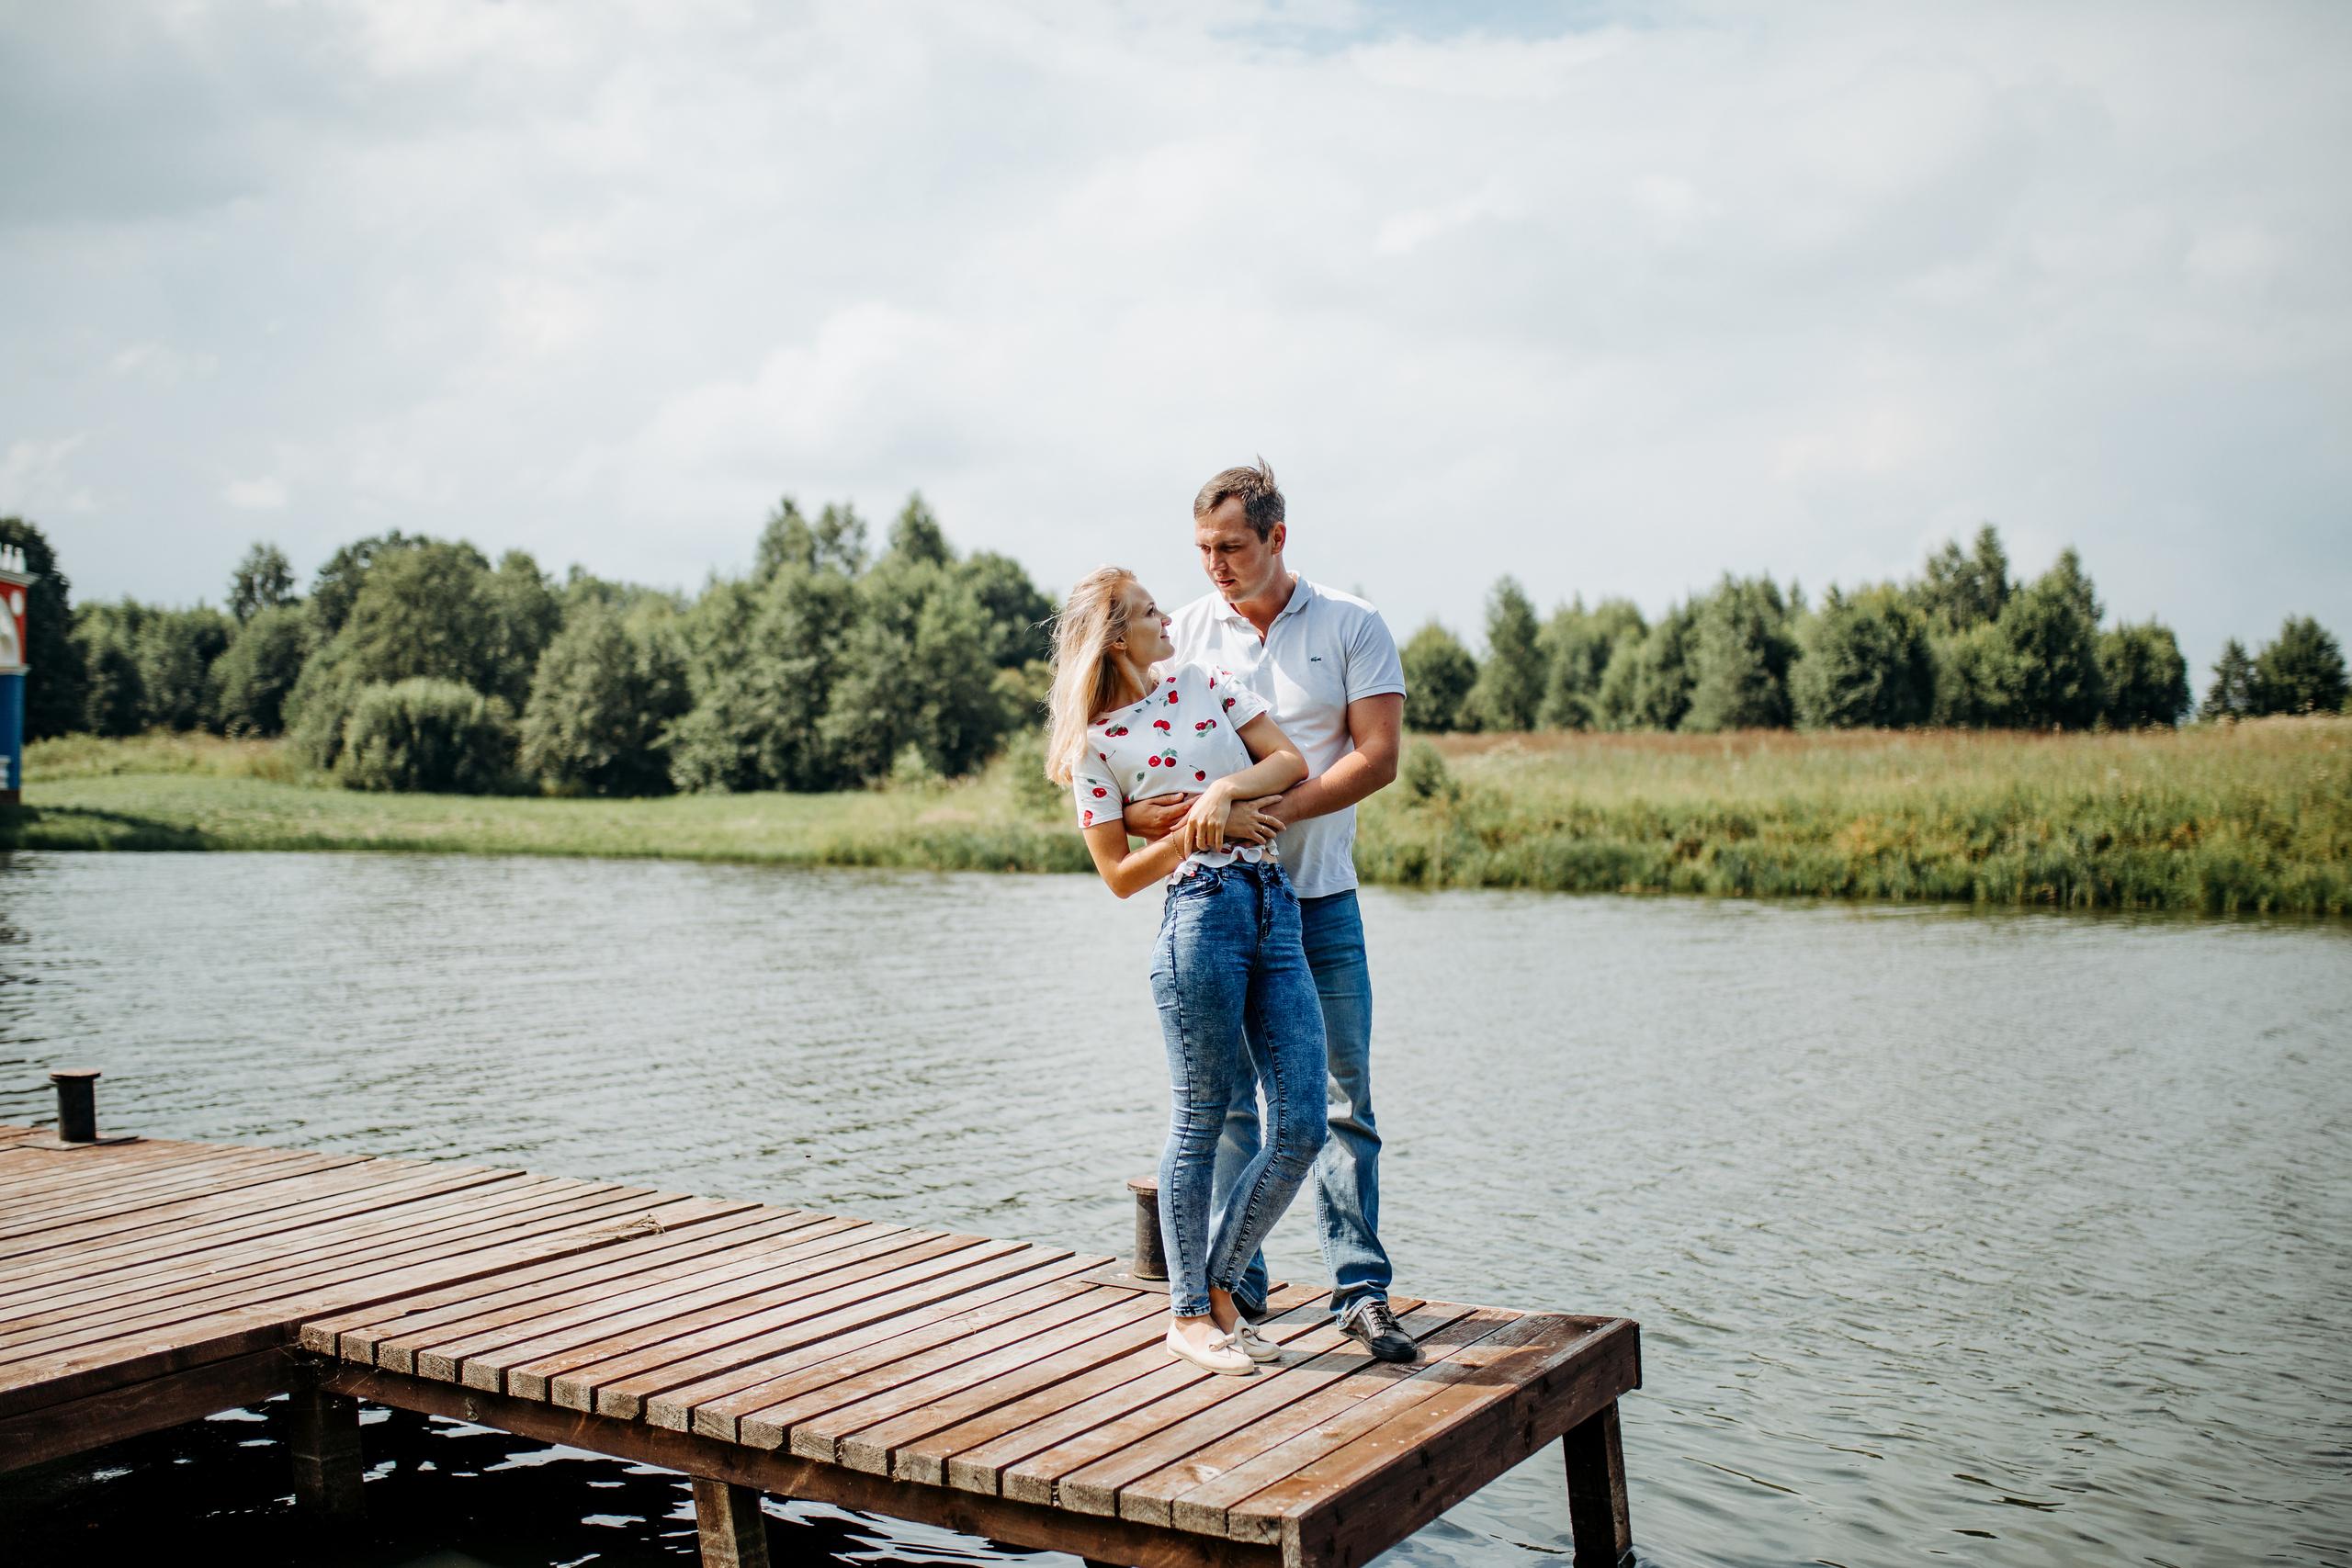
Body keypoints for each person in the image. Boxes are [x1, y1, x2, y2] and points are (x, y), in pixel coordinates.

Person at [1124, 460, 1416, 1364]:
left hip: (1317, 902)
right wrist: (1165, 819)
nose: (1215, 564)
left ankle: (1359, 1292)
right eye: (1204, 548)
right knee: (1231, 1110)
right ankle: (1231, 1285)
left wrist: (1269, 812)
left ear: (1277, 538)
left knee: (1338, 1102)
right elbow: (1128, 766)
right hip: (1218, 908)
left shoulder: (1350, 625)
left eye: (1233, 547)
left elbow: (1376, 757)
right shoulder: (1182, 636)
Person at [1047, 565, 1329, 1377]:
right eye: (1146, 611)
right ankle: (1190, 1315)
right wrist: (1197, 835)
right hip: (1198, 913)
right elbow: (1119, 874)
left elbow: (1291, 762)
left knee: (1304, 1121)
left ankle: (1215, 1288)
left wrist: (1222, 794)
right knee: (1201, 1114)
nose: (1166, 616)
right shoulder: (1095, 746)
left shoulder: (1204, 680)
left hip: (1275, 902)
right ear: (1115, 637)